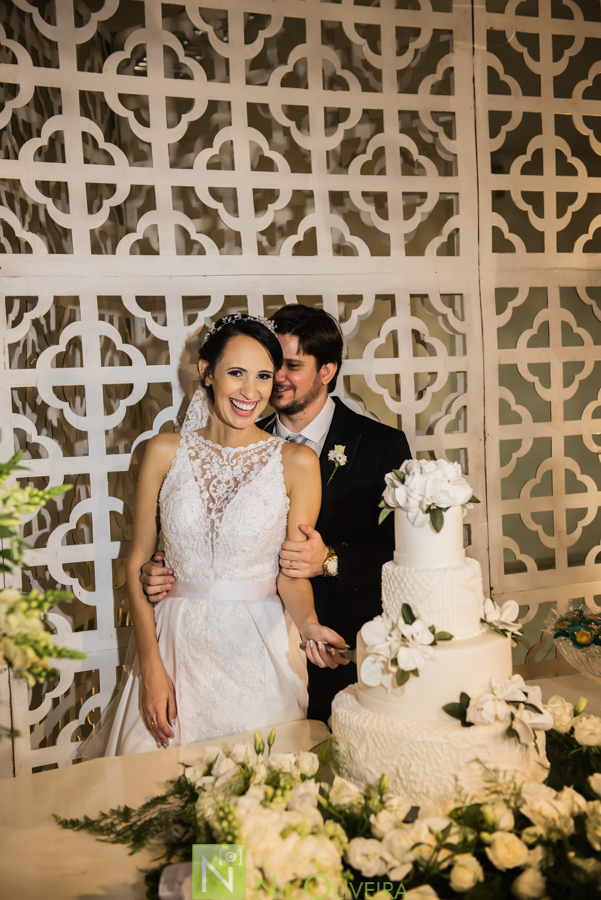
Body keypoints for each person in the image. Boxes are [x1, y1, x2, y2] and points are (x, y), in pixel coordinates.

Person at [84, 314, 348, 757]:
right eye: (237, 373)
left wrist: (308, 625)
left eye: (264, 376)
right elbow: (137, 562)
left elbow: (291, 573)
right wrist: (151, 666)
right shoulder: (164, 451)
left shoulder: (297, 462)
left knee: (258, 796)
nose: (251, 391)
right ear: (207, 372)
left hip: (258, 651)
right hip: (174, 646)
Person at [142, 306, 411, 723]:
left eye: (288, 366)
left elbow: (403, 556)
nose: (271, 380)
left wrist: (330, 560)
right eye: (266, 367)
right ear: (210, 372)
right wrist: (158, 567)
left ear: (327, 371)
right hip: (203, 644)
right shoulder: (237, 433)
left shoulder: (382, 446)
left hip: (334, 648)